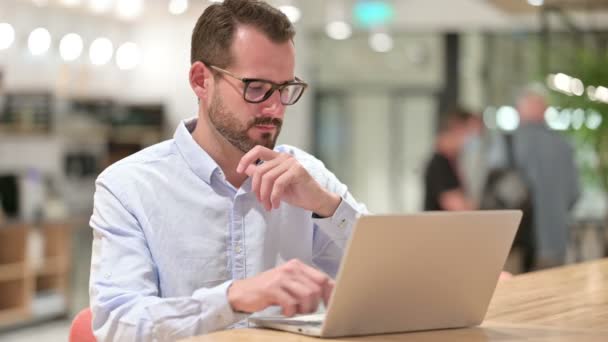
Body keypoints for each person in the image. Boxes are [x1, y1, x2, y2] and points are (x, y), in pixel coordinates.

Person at [88, 1, 368, 340]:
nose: (275, 108)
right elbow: (118, 325)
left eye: (285, 89)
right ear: (201, 81)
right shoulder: (128, 187)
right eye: (257, 87)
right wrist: (234, 297)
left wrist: (327, 206)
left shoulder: (306, 175)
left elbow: (388, 280)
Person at [509, 87, 580, 269]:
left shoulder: (506, 143)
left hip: (513, 243)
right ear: (545, 111)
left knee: (512, 295)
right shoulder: (564, 145)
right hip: (554, 241)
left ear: (519, 109)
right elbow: (574, 194)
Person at [423, 108, 480, 211]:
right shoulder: (439, 164)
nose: (473, 138)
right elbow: (456, 205)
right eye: (471, 132)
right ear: (458, 128)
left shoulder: (453, 162)